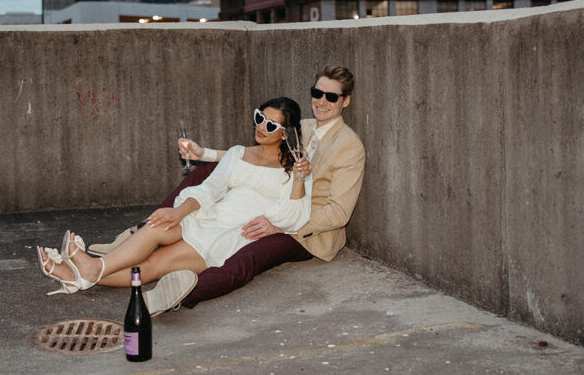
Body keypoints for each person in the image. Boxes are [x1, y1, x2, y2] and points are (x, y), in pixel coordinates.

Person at [90, 64, 364, 315]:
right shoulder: (300, 127)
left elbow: (339, 214)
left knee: (248, 256)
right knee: (205, 172)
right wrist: (204, 153)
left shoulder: (349, 146)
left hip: (306, 230)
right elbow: (250, 158)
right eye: (318, 93)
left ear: (346, 101)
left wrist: (280, 225)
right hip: (272, 205)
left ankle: (180, 294)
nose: (322, 101)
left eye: (332, 97)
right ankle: (144, 229)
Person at [37, 97, 313, 296]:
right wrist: (178, 212)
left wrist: (300, 179)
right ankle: (90, 269)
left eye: (272, 126)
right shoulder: (238, 153)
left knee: (157, 264)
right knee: (159, 224)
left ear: (286, 133)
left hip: (231, 234)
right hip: (209, 214)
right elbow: (210, 188)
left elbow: (294, 217)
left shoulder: (297, 167)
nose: (262, 127)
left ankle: (80, 275)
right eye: (259, 119)